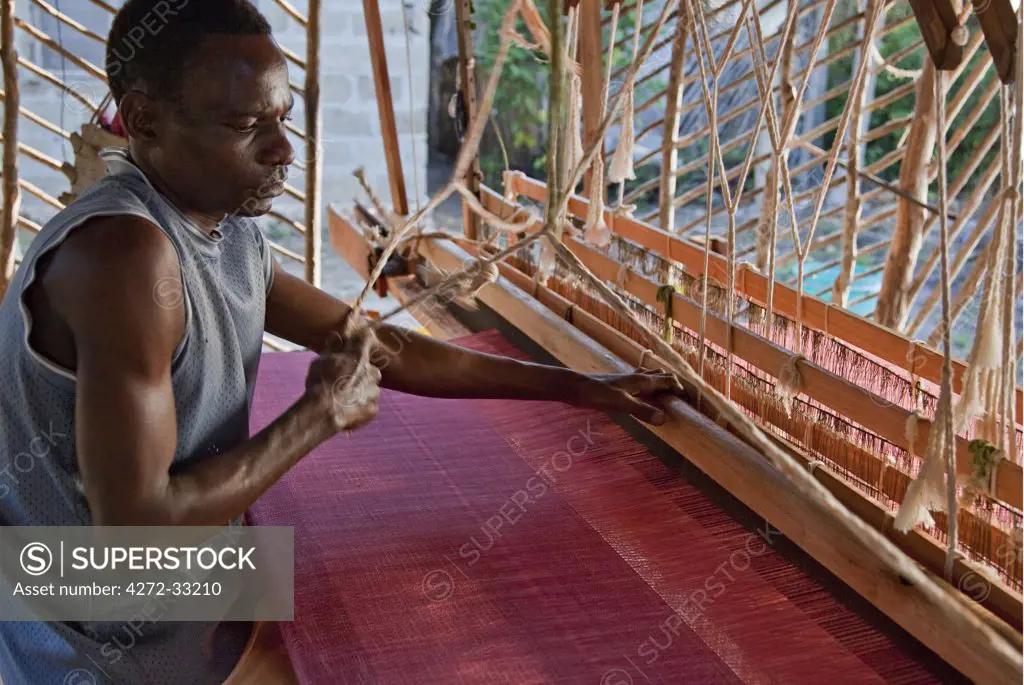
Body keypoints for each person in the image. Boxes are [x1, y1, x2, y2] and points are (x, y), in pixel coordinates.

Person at [0, 1, 689, 682]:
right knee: (382, 639)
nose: (283, 151)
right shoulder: (124, 255)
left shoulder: (223, 226)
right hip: (77, 596)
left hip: (170, 563)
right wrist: (317, 416)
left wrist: (580, 386)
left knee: (391, 592)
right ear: (145, 118)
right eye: (245, 126)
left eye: (281, 118)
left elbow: (371, 342)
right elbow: (138, 533)